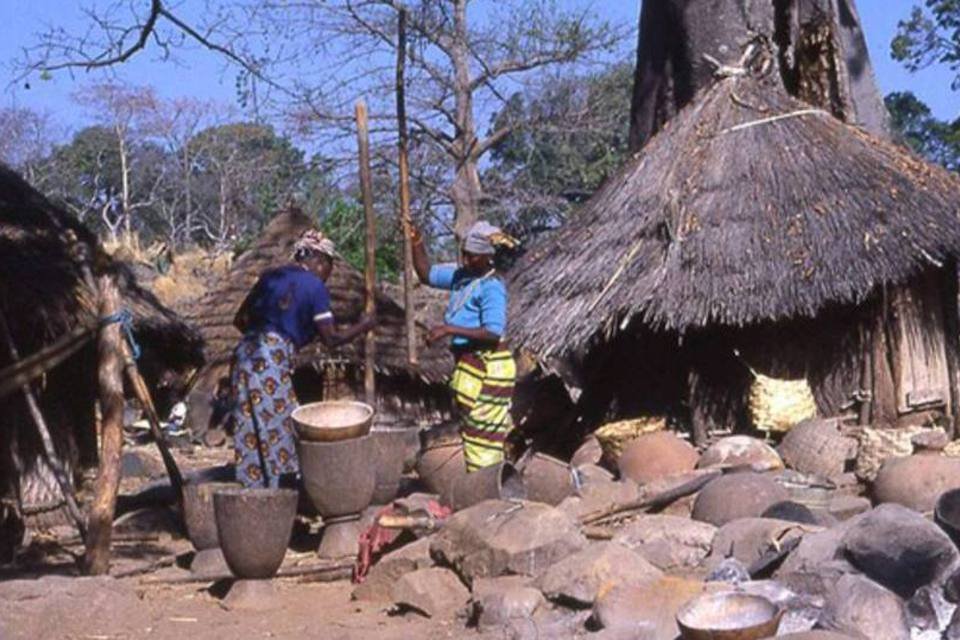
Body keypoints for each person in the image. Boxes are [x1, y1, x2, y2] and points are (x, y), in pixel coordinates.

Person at [230, 229, 375, 488]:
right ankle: (282, 494)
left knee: (249, 427)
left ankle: (252, 496)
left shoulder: (271, 277)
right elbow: (331, 339)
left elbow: (239, 320)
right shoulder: (315, 286)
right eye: (329, 267)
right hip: (269, 356)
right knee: (281, 428)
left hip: (244, 352)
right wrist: (364, 325)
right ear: (320, 261)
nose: (328, 275)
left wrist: (280, 334)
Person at [411, 220, 519, 472]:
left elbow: (493, 332)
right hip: (470, 362)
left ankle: (489, 486)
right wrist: (416, 241)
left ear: (487, 257)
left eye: (473, 256)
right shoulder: (461, 277)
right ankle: (482, 485)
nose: (466, 260)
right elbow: (426, 273)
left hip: (490, 365)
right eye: (465, 254)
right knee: (473, 429)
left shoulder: (492, 288)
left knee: (483, 432)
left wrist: (448, 329)